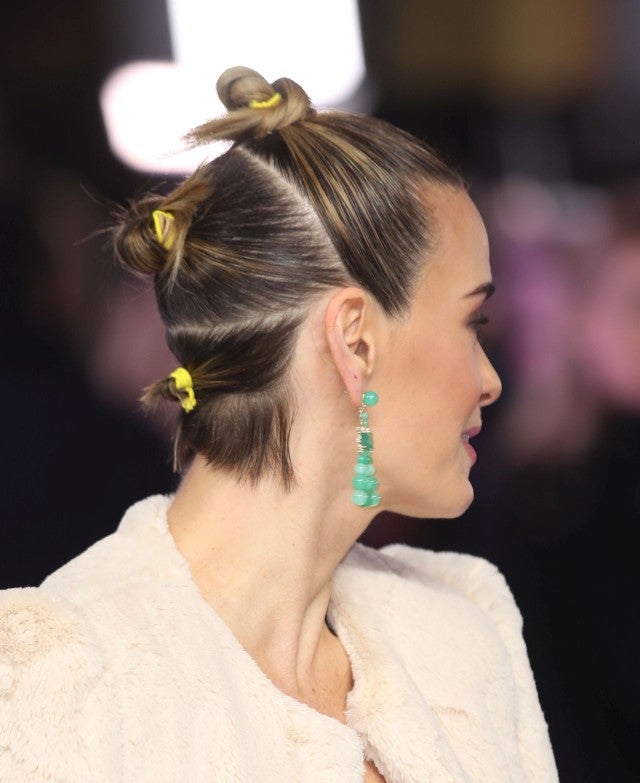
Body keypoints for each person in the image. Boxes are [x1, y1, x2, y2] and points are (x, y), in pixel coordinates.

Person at [0, 67, 558, 782]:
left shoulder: (463, 632)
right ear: (355, 342)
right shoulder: (59, 681)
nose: (491, 379)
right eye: (472, 322)